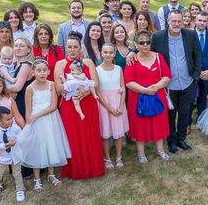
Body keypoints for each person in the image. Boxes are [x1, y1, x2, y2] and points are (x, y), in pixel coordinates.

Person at [54, 32, 104, 180]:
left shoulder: (88, 62)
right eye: (69, 47)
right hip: (70, 105)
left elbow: (96, 83)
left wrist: (85, 93)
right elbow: (58, 88)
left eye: (75, 47)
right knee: (73, 136)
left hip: (88, 103)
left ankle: (92, 167)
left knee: (90, 134)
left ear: (80, 48)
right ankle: (75, 169)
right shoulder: (60, 64)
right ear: (65, 48)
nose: (72, 50)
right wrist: (72, 87)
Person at [151, 10, 201, 153]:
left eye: (179, 21)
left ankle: (181, 138)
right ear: (168, 21)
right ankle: (171, 140)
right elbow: (152, 58)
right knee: (170, 115)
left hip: (187, 82)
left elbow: (197, 55)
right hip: (168, 85)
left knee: (185, 113)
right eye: (174, 21)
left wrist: (195, 77)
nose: (177, 24)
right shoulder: (158, 37)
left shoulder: (190, 35)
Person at [15, 59, 70, 189]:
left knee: (51, 144)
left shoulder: (51, 85)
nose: (42, 73)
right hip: (36, 122)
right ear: (33, 72)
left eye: (44, 70)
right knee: (37, 147)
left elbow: (53, 106)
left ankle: (51, 174)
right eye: (39, 70)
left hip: (51, 119)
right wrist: (29, 122)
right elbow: (28, 110)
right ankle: (37, 178)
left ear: (49, 71)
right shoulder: (29, 88)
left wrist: (37, 115)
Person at [126, 31, 172, 162]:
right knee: (140, 124)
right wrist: (145, 90)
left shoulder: (158, 57)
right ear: (136, 44)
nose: (145, 45)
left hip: (157, 95)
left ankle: (160, 150)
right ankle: (141, 153)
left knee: (158, 122)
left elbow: (167, 76)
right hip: (138, 97)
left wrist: (156, 87)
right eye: (141, 42)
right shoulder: (132, 59)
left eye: (147, 42)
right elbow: (128, 81)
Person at [96, 43, 128, 169]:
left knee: (118, 131)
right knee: (106, 131)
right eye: (106, 52)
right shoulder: (97, 70)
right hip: (104, 104)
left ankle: (119, 157)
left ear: (114, 53)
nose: (108, 54)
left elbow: (123, 88)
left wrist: (120, 106)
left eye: (111, 52)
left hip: (117, 101)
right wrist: (108, 107)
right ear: (101, 53)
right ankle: (107, 158)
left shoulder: (118, 68)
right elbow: (98, 91)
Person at [6, 37, 35, 120]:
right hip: (16, 101)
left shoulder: (26, 65)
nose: (18, 48)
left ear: (28, 50)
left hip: (23, 102)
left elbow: (17, 87)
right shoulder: (15, 65)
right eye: (16, 46)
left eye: (22, 46)